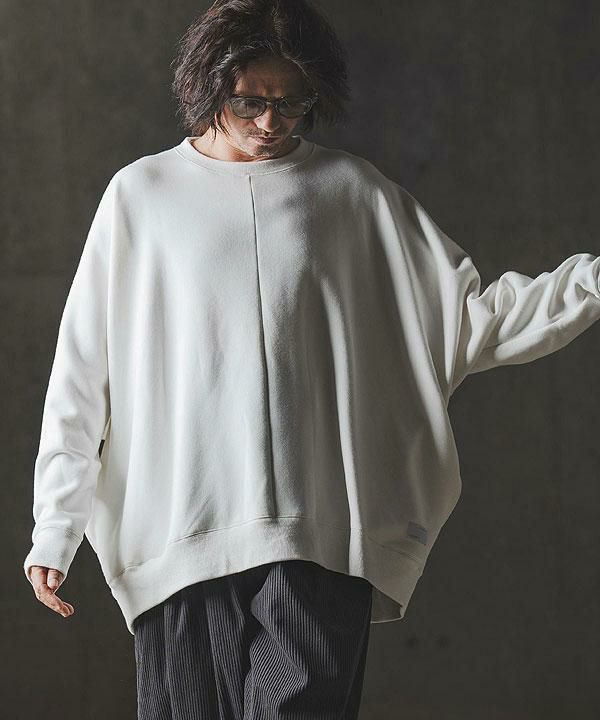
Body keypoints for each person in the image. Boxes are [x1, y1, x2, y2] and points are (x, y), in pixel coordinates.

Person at [23, 0, 600, 718]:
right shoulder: (141, 196)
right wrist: (56, 528)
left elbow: (470, 319)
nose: (271, 121)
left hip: (319, 540)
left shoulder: (351, 193)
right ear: (207, 84)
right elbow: (83, 375)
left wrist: (591, 283)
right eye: (249, 101)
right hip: (180, 543)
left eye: (292, 103)